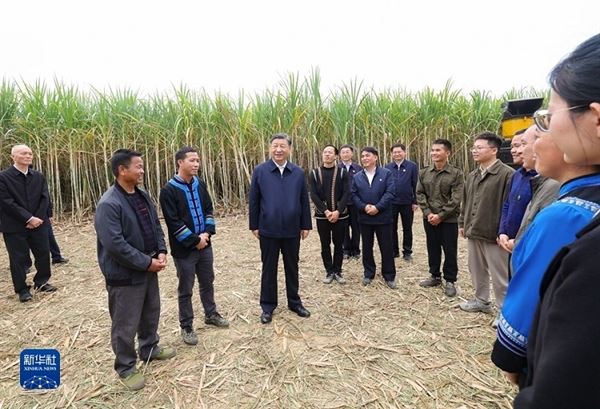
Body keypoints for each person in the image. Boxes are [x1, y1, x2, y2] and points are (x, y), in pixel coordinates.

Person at [513, 34, 600, 408]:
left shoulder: (568, 215)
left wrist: (516, 357)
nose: (531, 144)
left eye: (549, 118)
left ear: (595, 118)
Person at [492, 126, 600, 389]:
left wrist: (509, 355)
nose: (527, 148)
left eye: (538, 137)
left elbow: (532, 291)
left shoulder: (564, 215)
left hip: (554, 359)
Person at [95, 149, 175, 391]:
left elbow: (155, 225)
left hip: (148, 267)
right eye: (138, 166)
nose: (142, 171)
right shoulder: (109, 203)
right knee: (125, 323)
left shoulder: (142, 195)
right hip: (125, 274)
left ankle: (149, 348)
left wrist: (161, 250)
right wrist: (146, 262)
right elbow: (115, 245)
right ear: (122, 170)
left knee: (150, 311)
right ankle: (126, 367)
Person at [160, 147, 229, 347]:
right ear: (180, 162)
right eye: (192, 160)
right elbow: (173, 222)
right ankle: (187, 325)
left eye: (197, 160)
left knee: (207, 281)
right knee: (186, 288)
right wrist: (194, 240)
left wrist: (206, 234)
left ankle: (211, 314)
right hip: (184, 250)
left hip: (205, 244)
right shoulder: (169, 190)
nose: (196, 164)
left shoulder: (200, 184)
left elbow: (208, 209)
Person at [249, 133, 312, 324]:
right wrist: (254, 225)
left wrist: (305, 224)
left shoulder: (298, 172)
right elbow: (254, 199)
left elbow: (304, 200)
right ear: (270, 149)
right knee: (269, 268)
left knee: (292, 266)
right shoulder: (260, 171)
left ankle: (294, 302)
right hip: (268, 229)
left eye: (282, 146)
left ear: (289, 149)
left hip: (292, 229)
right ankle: (268, 306)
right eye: (275, 146)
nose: (278, 149)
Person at [458, 133, 514, 318]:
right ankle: (481, 301)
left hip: (494, 235)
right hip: (474, 230)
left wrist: (504, 231)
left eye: (479, 147)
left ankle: (504, 311)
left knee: (500, 276)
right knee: (476, 269)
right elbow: (466, 201)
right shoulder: (473, 175)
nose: (474, 151)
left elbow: (510, 206)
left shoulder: (507, 174)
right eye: (473, 147)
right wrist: (462, 223)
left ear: (494, 150)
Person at [0, 144, 57, 302]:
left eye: (30, 153)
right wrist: (28, 218)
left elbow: (45, 197)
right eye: (23, 153)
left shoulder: (38, 176)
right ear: (13, 157)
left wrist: (40, 217)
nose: (28, 156)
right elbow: (6, 202)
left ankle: (41, 282)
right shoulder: (3, 177)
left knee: (43, 253)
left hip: (39, 223)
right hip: (14, 225)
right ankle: (22, 289)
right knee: (18, 258)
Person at [416, 139, 463, 297]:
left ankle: (450, 280)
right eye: (432, 150)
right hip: (429, 218)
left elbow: (456, 199)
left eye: (438, 150)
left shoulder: (456, 173)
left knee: (450, 250)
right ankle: (434, 276)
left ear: (447, 153)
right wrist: (428, 213)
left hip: (448, 220)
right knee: (432, 247)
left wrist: (440, 215)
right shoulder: (424, 172)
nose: (434, 153)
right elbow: (420, 193)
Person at [351, 146, 397, 289]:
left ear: (375, 157)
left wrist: (378, 207)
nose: (364, 158)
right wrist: (364, 207)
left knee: (386, 247)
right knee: (367, 247)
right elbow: (353, 195)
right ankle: (368, 273)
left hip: (383, 217)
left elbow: (390, 192)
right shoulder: (357, 176)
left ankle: (389, 275)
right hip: (365, 218)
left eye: (367, 155)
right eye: (363, 156)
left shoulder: (386, 173)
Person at [309, 144, 350, 284]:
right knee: (325, 244)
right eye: (325, 152)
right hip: (322, 216)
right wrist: (326, 211)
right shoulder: (314, 173)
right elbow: (313, 194)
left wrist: (338, 211)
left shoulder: (343, 173)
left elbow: (346, 193)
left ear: (336, 156)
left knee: (339, 244)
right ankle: (329, 271)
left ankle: (337, 271)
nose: (327, 154)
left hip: (340, 215)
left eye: (330, 152)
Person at [497, 127, 538, 257]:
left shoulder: (543, 179)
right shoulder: (516, 175)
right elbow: (507, 204)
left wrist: (519, 240)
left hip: (528, 245)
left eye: (519, 145)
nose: (514, 151)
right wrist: (503, 232)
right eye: (512, 147)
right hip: (510, 243)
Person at [384, 143, 418, 261]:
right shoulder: (387, 167)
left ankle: (407, 252)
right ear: (392, 154)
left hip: (407, 202)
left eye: (399, 152)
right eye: (394, 152)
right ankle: (394, 251)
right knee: (391, 228)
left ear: (404, 152)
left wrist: (415, 201)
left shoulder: (412, 166)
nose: (397, 154)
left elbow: (415, 184)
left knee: (407, 228)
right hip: (391, 203)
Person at [338, 144, 362, 259]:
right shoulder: (337, 168)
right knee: (344, 228)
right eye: (343, 152)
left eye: (347, 152)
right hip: (342, 203)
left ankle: (356, 250)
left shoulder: (358, 168)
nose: (345, 154)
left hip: (355, 202)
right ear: (340, 155)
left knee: (356, 227)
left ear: (352, 154)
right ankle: (346, 250)